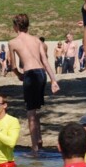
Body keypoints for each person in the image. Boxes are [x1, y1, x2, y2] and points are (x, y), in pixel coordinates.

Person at [6, 13, 59, 153]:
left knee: (30, 111)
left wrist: (19, 75)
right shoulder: (36, 40)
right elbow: (45, 61)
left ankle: (34, 147)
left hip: (30, 74)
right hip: (41, 73)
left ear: (16, 26)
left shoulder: (13, 42)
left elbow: (12, 66)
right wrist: (53, 80)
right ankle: (39, 139)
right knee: (36, 109)